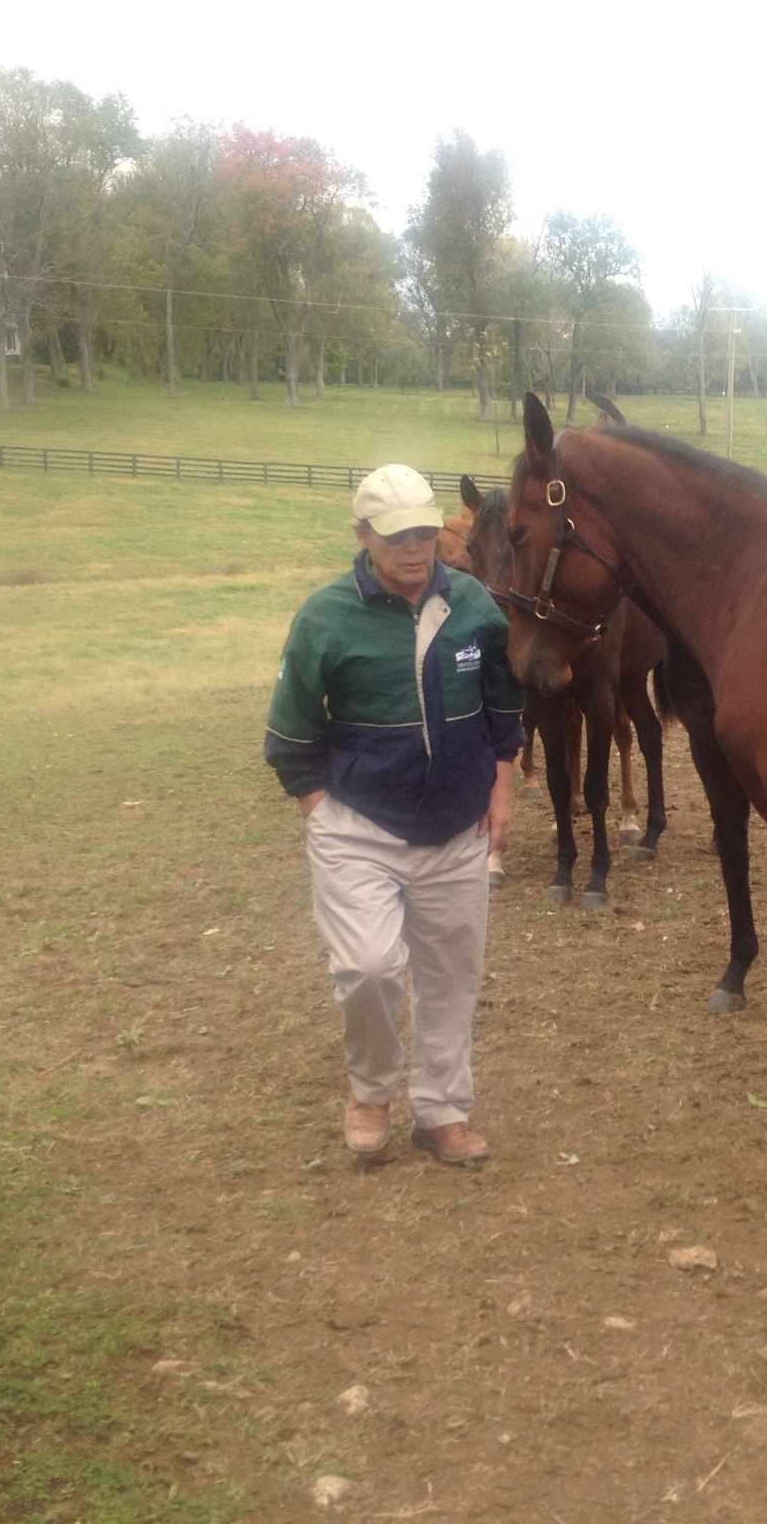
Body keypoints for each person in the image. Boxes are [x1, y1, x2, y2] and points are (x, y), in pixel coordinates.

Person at [265, 464, 523, 1165]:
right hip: (358, 828)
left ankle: (441, 1112)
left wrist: (500, 790)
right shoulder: (325, 617)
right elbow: (289, 737)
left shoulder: (474, 606)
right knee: (369, 967)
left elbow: (505, 710)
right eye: (396, 535)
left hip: (457, 829)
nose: (414, 549)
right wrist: (322, 813)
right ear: (361, 535)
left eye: (423, 532)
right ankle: (370, 1092)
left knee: (452, 974)